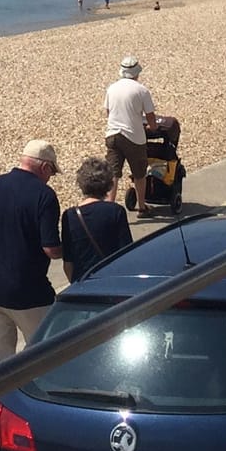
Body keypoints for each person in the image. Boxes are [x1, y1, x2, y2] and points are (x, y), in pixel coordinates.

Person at [0, 140, 62, 360]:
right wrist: (71, 249)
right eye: (51, 172)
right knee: (46, 352)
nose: (50, 178)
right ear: (44, 167)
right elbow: (50, 248)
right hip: (27, 290)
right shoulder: (45, 195)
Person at [59, 158, 134, 282]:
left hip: (83, 280)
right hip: (112, 279)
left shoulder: (70, 215)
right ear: (108, 184)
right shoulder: (115, 211)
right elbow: (126, 253)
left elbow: (68, 262)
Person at [103, 56, 157, 215]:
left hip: (113, 134)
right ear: (136, 73)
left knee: (113, 173)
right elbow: (150, 116)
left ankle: (109, 206)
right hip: (133, 136)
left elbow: (108, 112)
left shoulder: (112, 88)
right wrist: (152, 127)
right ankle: (142, 206)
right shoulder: (141, 90)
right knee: (139, 173)